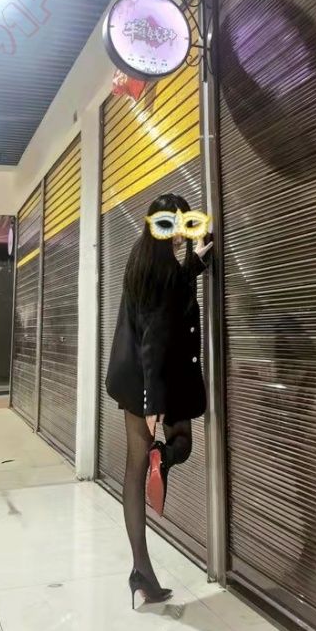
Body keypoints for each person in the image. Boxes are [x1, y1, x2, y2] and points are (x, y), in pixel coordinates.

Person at [105, 193, 213, 609]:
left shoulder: (143, 258)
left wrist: (194, 264)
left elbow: (167, 296)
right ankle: (163, 458)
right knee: (181, 443)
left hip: (134, 381)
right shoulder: (163, 267)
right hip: (157, 381)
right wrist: (153, 403)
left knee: (133, 473)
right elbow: (154, 337)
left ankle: (141, 572)